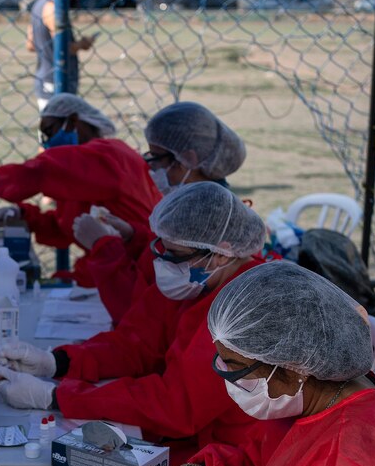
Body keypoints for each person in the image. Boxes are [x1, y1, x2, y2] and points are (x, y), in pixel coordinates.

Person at [118, 261, 375, 466]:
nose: (226, 377)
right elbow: (261, 465)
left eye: (236, 368)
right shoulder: (329, 401)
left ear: (294, 367)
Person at [0, 182, 268, 464]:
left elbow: (176, 405)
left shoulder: (246, 307)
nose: (164, 262)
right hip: (195, 444)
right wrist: (56, 362)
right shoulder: (197, 278)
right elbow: (136, 342)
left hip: (232, 460)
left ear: (220, 254)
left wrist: (57, 396)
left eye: (174, 254)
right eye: (161, 248)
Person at [73, 102, 246, 321]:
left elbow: (143, 313)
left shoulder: (204, 223)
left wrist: (103, 247)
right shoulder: (197, 209)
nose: (151, 168)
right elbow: (157, 266)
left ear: (188, 159)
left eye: (156, 157)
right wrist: (133, 236)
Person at [0, 94, 160, 286]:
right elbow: (66, 226)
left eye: (50, 131)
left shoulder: (108, 155)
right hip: (116, 262)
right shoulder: (79, 175)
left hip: (139, 265)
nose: (47, 142)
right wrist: (24, 216)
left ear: (73, 121)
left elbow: (40, 171)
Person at [27, 0, 93, 110]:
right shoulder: (53, 9)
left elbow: (30, 45)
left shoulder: (38, 4)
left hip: (45, 76)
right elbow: (62, 48)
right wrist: (82, 44)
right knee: (58, 126)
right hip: (56, 80)